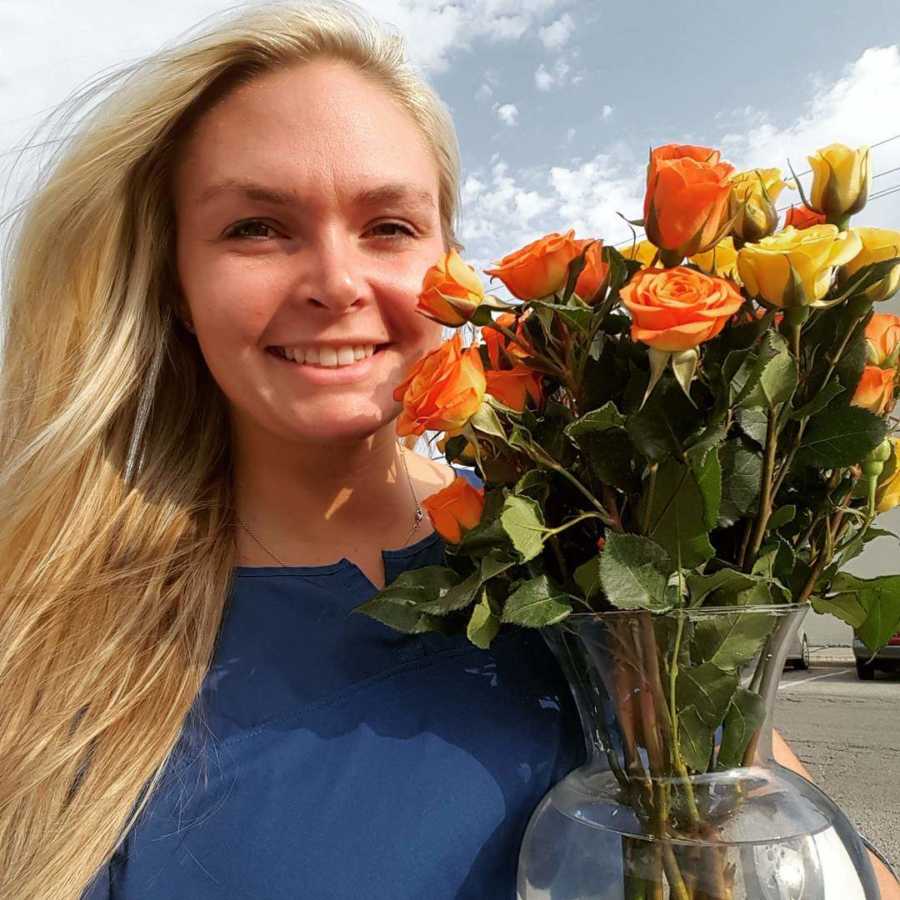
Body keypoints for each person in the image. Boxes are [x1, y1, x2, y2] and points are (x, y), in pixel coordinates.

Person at [0, 2, 895, 899]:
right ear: (175, 285)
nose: (338, 283)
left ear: (451, 266)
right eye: (256, 228)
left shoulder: (600, 550)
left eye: (388, 226)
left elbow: (805, 849)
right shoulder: (55, 639)